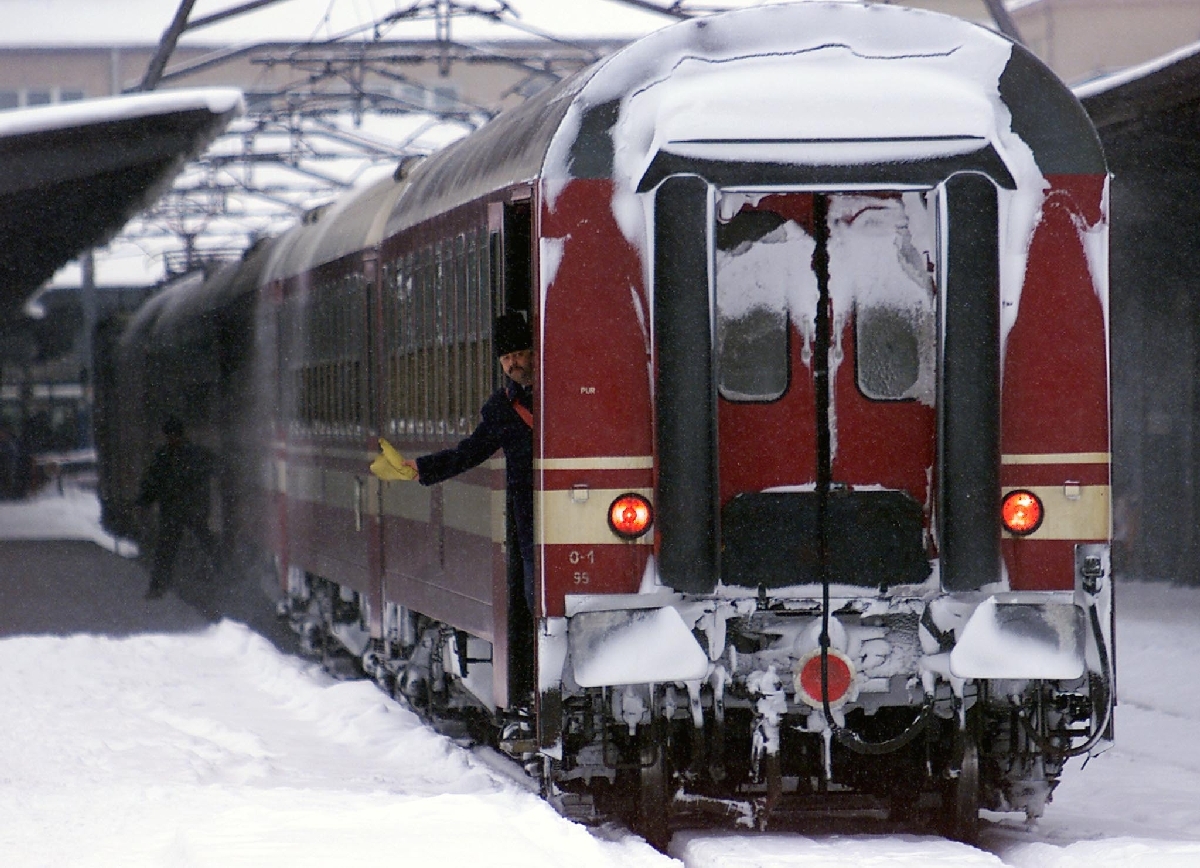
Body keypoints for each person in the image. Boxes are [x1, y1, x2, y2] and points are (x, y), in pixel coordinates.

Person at [399, 311, 536, 612]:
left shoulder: (559, 393)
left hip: (558, 517)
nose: (513, 364)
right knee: (534, 598)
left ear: (533, 353)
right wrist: (422, 467)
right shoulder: (501, 409)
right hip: (531, 525)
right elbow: (468, 452)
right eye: (506, 358)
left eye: (518, 355)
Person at [136, 416, 221, 599]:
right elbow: (153, 481)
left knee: (169, 549)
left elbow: (152, 481)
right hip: (185, 510)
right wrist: (144, 501)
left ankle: (158, 587)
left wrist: (144, 501)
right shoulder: (193, 454)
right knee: (173, 548)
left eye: (172, 435)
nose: (171, 439)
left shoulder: (169, 456)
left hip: (182, 510)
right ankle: (158, 587)